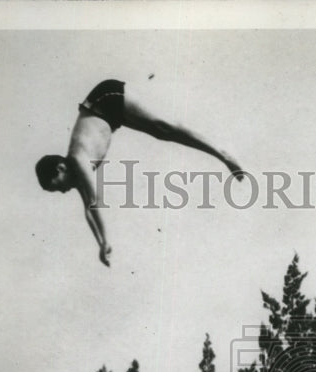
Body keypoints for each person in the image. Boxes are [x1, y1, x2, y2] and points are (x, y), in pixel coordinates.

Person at [36, 79, 244, 266]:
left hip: (105, 98)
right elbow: (88, 211)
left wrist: (106, 239)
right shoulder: (76, 171)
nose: (63, 192)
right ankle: (221, 154)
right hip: (107, 113)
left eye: (58, 186)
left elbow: (94, 202)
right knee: (162, 133)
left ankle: (222, 153)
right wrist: (101, 243)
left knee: (162, 127)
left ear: (60, 168)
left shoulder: (78, 160)